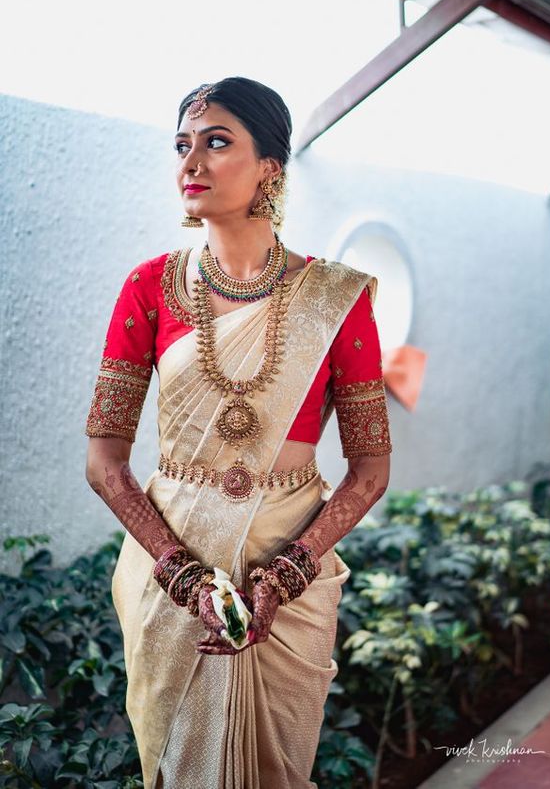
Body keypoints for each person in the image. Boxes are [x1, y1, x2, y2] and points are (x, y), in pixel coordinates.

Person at [84, 76, 392, 789]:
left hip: (291, 575)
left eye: (217, 142)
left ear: (269, 169)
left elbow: (371, 470)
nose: (192, 162)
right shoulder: (147, 287)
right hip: (172, 571)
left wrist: (289, 571)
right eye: (183, 146)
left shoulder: (335, 298)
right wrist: (182, 573)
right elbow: (105, 462)